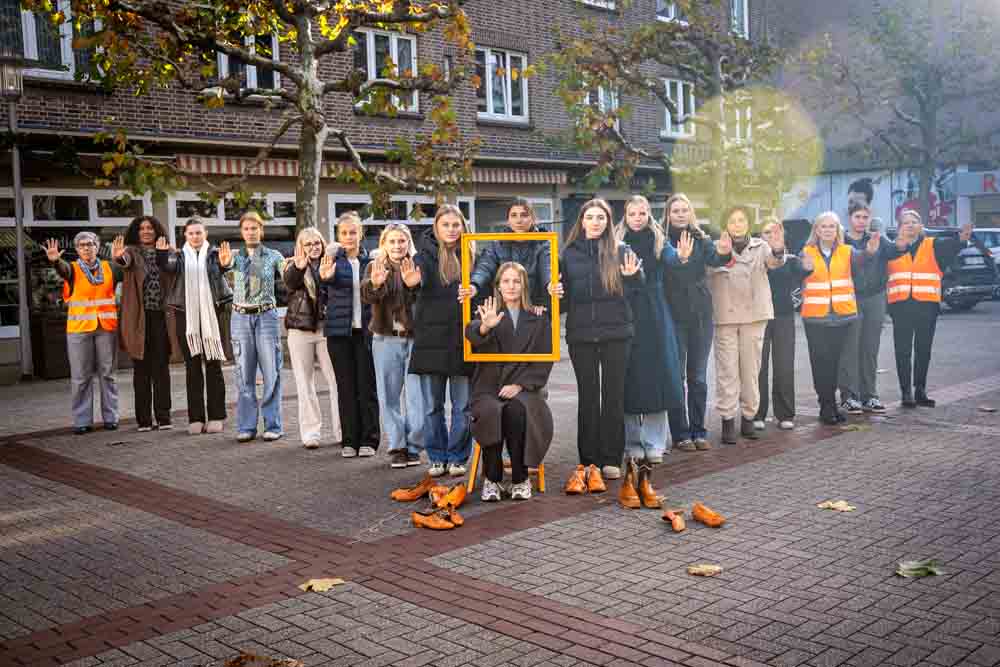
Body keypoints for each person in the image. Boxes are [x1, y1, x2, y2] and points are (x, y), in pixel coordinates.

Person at [549, 198, 643, 493]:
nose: (596, 222)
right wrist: (554, 292)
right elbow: (562, 300)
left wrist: (634, 277)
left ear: (608, 222)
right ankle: (588, 461)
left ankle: (611, 458)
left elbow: (638, 289)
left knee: (613, 396)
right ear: (582, 221)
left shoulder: (621, 250)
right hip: (581, 334)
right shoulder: (568, 254)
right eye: (590, 217)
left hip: (617, 333)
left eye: (601, 217)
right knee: (589, 397)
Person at [465, 263, 554, 502]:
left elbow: (544, 361)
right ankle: (492, 479)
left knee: (516, 411)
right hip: (488, 386)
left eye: (517, 281)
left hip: (524, 388)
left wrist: (520, 386)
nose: (511, 286)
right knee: (491, 410)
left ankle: (520, 478)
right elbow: (471, 334)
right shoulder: (487, 311)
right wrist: (485, 326)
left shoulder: (538, 318)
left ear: (525, 284)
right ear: (498, 286)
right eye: (506, 281)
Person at [613, 195, 687, 464]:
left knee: (659, 376)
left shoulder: (659, 238)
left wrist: (680, 257)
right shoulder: (616, 240)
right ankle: (632, 442)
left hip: (655, 313)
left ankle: (655, 443)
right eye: (633, 213)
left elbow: (671, 257)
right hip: (626, 312)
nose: (637, 218)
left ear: (648, 215)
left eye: (642, 213)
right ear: (625, 215)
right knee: (629, 377)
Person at [800, 211, 893, 424]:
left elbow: (862, 258)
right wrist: (801, 268)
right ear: (817, 230)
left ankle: (832, 406)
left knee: (835, 363)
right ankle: (825, 405)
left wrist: (869, 252)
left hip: (842, 318)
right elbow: (799, 272)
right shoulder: (806, 252)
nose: (828, 230)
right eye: (823, 226)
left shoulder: (847, 251)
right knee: (820, 363)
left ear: (837, 230)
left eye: (832, 226)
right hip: (816, 319)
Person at [403, 206, 474, 477]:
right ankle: (436, 456)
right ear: (436, 227)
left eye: (456, 224)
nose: (452, 229)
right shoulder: (421, 257)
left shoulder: (472, 254)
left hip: (461, 340)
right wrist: (412, 285)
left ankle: (457, 456)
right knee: (432, 406)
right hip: (431, 340)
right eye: (446, 224)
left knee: (462, 406)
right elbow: (411, 290)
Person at [706, 206, 786, 444]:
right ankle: (728, 421)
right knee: (727, 372)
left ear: (748, 224)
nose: (737, 225)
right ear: (725, 225)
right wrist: (721, 255)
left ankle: (749, 418)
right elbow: (707, 269)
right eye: (732, 221)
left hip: (754, 315)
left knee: (751, 371)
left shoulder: (760, 246)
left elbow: (775, 262)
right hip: (725, 317)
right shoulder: (715, 246)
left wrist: (779, 248)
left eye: (742, 220)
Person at [662, 194, 731, 452]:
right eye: (675, 211)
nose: (680, 214)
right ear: (668, 214)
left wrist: (724, 252)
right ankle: (680, 434)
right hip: (674, 316)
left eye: (684, 210)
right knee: (676, 377)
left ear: (691, 213)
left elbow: (716, 257)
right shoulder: (662, 239)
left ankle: (698, 430)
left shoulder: (701, 239)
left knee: (698, 378)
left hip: (701, 316)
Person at [888, 211, 974, 408]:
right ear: (900, 226)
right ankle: (906, 393)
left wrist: (961, 239)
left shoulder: (933, 245)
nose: (910, 225)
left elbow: (951, 245)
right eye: (906, 222)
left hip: (926, 305)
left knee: (923, 350)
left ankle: (920, 390)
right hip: (900, 306)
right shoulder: (892, 248)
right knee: (902, 351)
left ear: (921, 225)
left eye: (914, 222)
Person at [157, 218, 233, 435]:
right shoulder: (179, 257)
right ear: (185, 236)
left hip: (212, 315)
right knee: (192, 367)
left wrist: (226, 263)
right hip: (186, 317)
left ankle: (217, 416)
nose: (195, 237)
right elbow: (168, 267)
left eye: (199, 233)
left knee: (213, 365)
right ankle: (196, 418)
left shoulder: (215, 254)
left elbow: (224, 267)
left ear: (206, 233)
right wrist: (162, 255)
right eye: (191, 233)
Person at [45, 232, 124, 434]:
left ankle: (111, 417)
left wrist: (120, 258)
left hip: (106, 328)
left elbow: (126, 271)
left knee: (108, 375)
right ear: (77, 249)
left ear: (97, 246)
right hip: (79, 330)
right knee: (81, 377)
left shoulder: (109, 267)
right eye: (82, 245)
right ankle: (82, 421)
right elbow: (63, 270)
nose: (87, 248)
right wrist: (55, 261)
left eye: (90, 244)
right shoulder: (71, 269)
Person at [362, 223, 424, 469]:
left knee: (417, 396)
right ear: (384, 245)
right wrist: (376, 285)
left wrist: (414, 285)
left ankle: (414, 445)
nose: (398, 246)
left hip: (415, 338)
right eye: (392, 241)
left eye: (402, 241)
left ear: (408, 243)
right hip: (386, 339)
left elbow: (427, 299)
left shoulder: (418, 266)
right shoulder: (374, 266)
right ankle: (397, 445)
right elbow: (366, 296)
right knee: (388, 395)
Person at [320, 212, 379, 457]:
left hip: (366, 332)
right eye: (344, 233)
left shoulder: (371, 261)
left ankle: (369, 440)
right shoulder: (332, 261)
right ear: (338, 236)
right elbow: (321, 291)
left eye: (353, 232)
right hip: (339, 333)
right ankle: (349, 440)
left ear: (360, 234)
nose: (348, 237)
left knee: (366, 387)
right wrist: (325, 278)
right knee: (345, 388)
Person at [227, 211, 286, 442]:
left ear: (261, 230)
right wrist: (223, 265)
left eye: (254, 228)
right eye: (246, 229)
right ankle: (246, 426)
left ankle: (273, 425)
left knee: (272, 371)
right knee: (244, 373)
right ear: (241, 232)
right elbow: (222, 268)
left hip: (267, 318)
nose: (250, 232)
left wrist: (295, 266)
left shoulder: (273, 255)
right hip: (241, 318)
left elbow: (289, 274)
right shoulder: (234, 256)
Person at [112, 216, 175, 432]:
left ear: (156, 230)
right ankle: (144, 420)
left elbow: (173, 269)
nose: (146, 231)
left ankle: (164, 417)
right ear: (136, 232)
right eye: (142, 228)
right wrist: (118, 257)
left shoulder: (166, 249)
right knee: (141, 369)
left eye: (150, 228)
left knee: (161, 368)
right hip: (139, 318)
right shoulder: (131, 251)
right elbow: (123, 262)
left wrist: (163, 254)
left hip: (161, 317)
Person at [283, 226, 342, 450]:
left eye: (316, 243)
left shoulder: (331, 262)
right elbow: (289, 283)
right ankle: (311, 433)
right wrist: (298, 269)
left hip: (326, 330)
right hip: (300, 330)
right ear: (300, 247)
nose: (313, 248)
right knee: (304, 383)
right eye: (308, 244)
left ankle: (341, 430)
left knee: (336, 380)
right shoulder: (291, 265)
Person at [837, 203, 899, 414]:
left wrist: (905, 236)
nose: (861, 221)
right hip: (849, 298)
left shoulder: (878, 239)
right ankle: (849, 396)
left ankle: (869, 396)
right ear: (849, 218)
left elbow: (897, 250)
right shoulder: (841, 240)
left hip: (875, 298)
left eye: (865, 217)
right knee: (849, 349)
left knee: (870, 349)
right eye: (857, 217)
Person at [753, 220, 812, 431]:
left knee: (784, 366)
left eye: (775, 231)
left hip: (784, 318)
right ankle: (757, 413)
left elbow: (805, 270)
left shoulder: (792, 260)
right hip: (758, 318)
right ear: (760, 236)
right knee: (758, 368)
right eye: (766, 232)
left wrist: (808, 265)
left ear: (783, 235)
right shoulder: (755, 259)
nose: (771, 235)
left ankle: (785, 414)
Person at [467, 199, 551, 305]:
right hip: (505, 307)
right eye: (514, 215)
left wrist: (550, 284)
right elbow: (485, 266)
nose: (519, 220)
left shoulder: (543, 243)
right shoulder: (498, 244)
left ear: (533, 219)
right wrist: (474, 285)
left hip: (534, 307)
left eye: (524, 215)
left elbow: (547, 267)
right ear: (508, 220)